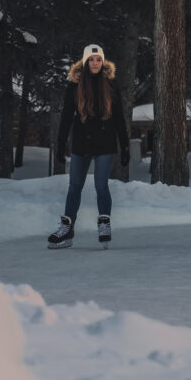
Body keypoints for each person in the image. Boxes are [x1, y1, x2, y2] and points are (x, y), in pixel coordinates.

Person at [47, 44, 130, 249]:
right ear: (85, 62)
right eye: (91, 59)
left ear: (103, 62)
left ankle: (104, 224)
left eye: (98, 59)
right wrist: (60, 145)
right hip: (81, 142)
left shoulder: (111, 85)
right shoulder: (74, 85)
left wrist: (125, 145)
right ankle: (67, 228)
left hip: (105, 142)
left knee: (101, 185)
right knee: (75, 186)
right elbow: (66, 117)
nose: (95, 63)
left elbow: (119, 117)